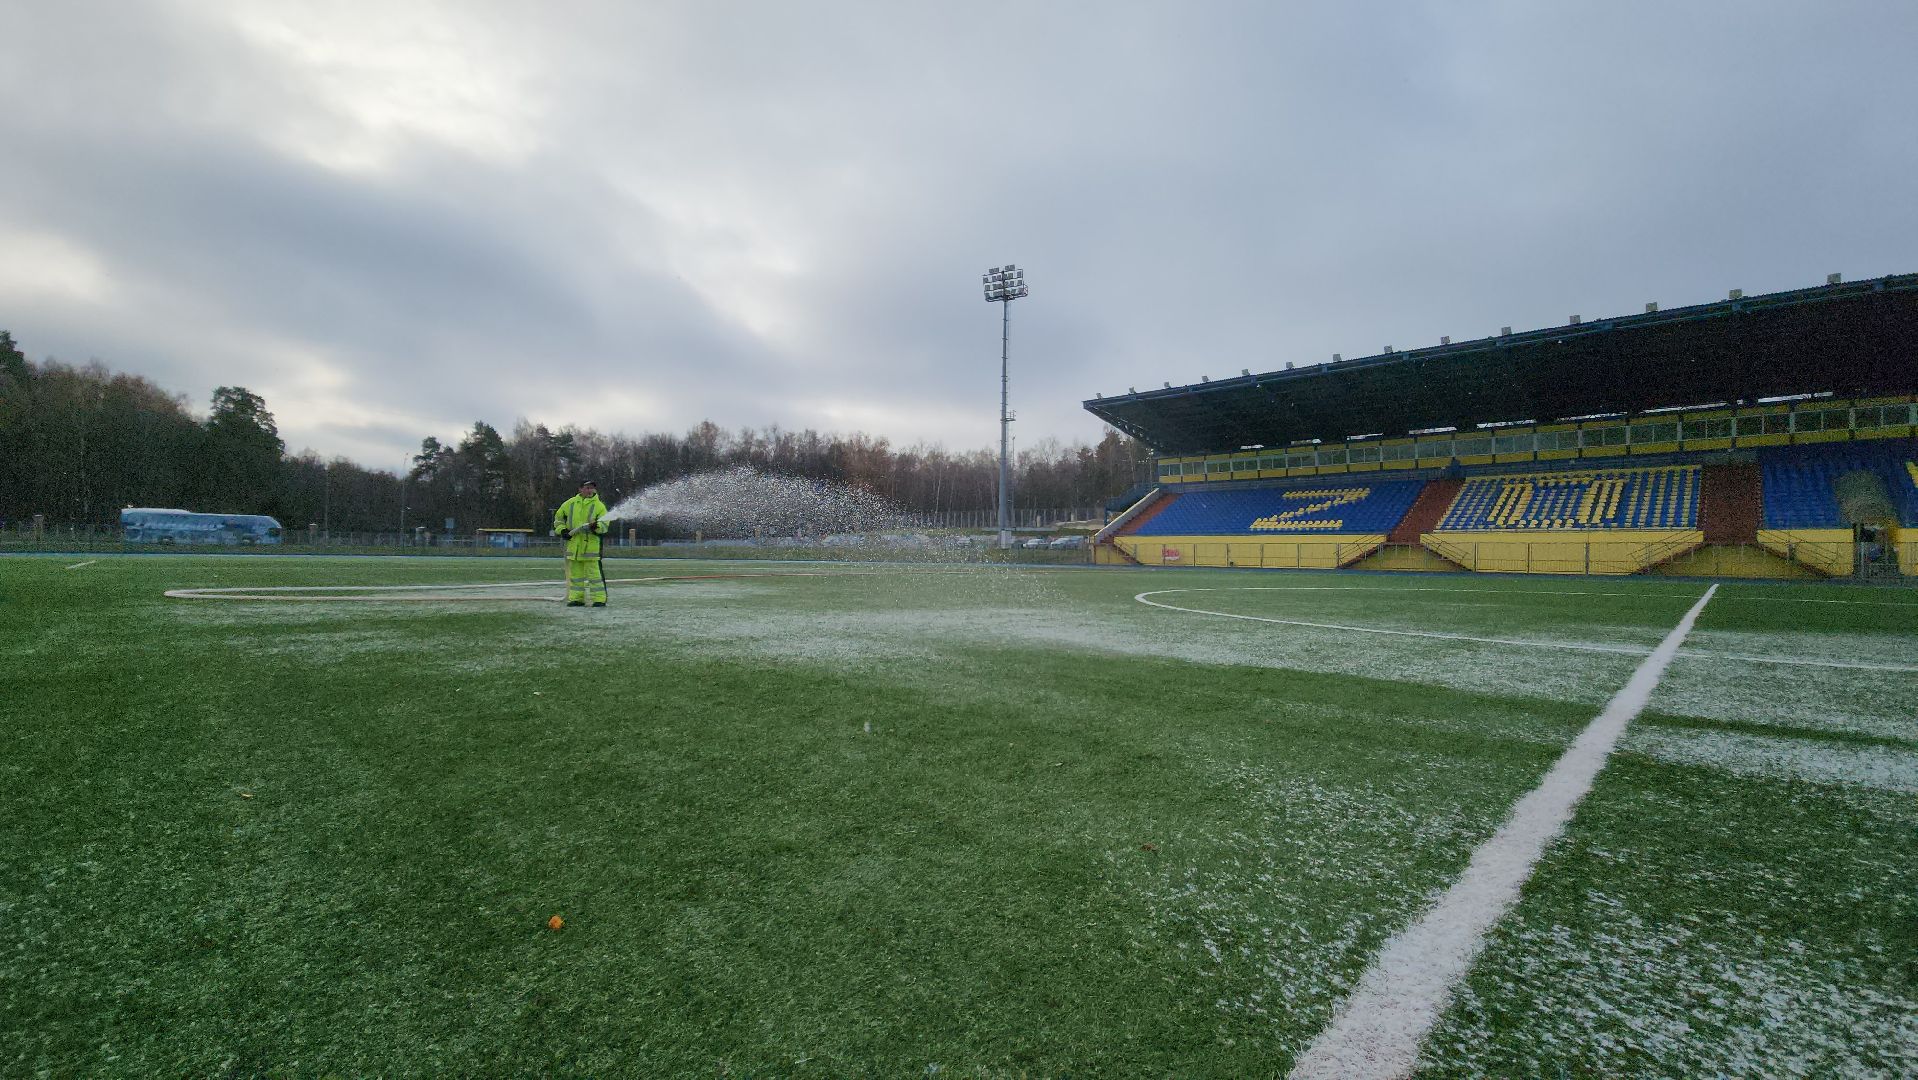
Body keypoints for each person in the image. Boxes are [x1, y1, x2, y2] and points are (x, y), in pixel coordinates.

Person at [552, 480, 610, 607]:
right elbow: (558, 519)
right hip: (574, 547)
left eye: (592, 488)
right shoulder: (569, 504)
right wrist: (562, 530)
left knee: (595, 575)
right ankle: (576, 599)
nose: (590, 491)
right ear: (580, 489)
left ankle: (599, 599)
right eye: (587, 488)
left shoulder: (599, 506)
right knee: (575, 576)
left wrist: (595, 526)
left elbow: (604, 526)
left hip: (591, 548)